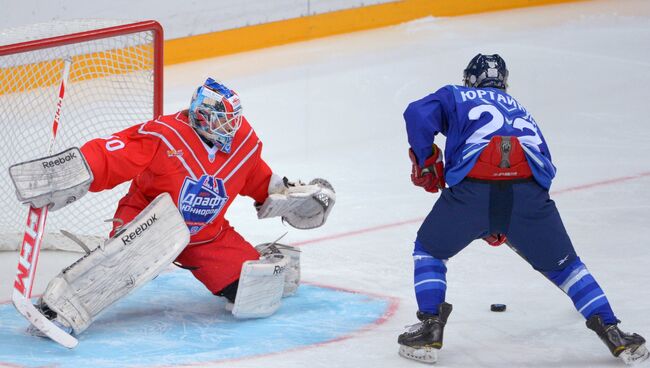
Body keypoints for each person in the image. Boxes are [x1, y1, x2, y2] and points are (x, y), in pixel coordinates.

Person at [10, 77, 335, 338]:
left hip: (206, 236)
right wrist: (77, 169)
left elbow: (256, 178)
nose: (230, 129)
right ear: (202, 115)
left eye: (233, 120)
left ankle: (275, 261)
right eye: (223, 122)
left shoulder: (243, 144)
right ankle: (61, 307)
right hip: (148, 219)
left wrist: (285, 196)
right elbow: (112, 154)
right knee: (132, 254)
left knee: (256, 291)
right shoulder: (164, 135)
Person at [397, 54, 648, 365]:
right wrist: (508, 217)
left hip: (472, 192)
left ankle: (430, 329)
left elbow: (416, 114)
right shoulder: (520, 109)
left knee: (430, 250)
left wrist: (426, 159)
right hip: (527, 196)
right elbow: (543, 165)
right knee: (566, 267)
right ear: (504, 83)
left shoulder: (456, 94)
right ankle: (614, 333)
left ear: (470, 79)